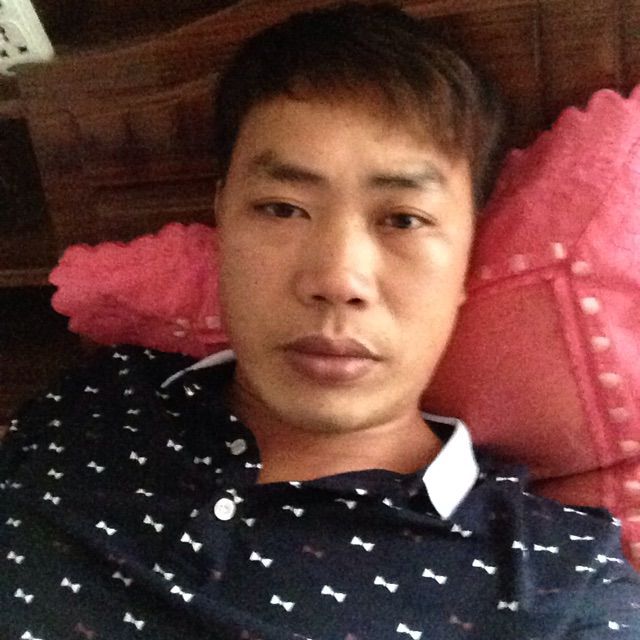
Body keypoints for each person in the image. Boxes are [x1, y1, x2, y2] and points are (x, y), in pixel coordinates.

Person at [2, 3, 639, 639]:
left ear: (469, 255)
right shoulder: (102, 393)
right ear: (222, 215)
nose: (338, 279)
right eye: (282, 208)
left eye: (404, 219)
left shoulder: (561, 582)